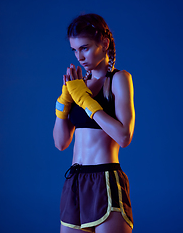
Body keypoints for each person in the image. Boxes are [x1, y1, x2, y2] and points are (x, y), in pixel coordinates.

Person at [53, 13, 135, 233]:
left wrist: (86, 101)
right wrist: (65, 101)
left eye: (85, 48)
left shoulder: (118, 79)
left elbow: (124, 136)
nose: (79, 56)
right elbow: (61, 143)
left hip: (105, 180)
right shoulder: (79, 85)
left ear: (104, 44)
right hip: (75, 182)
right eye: (74, 50)